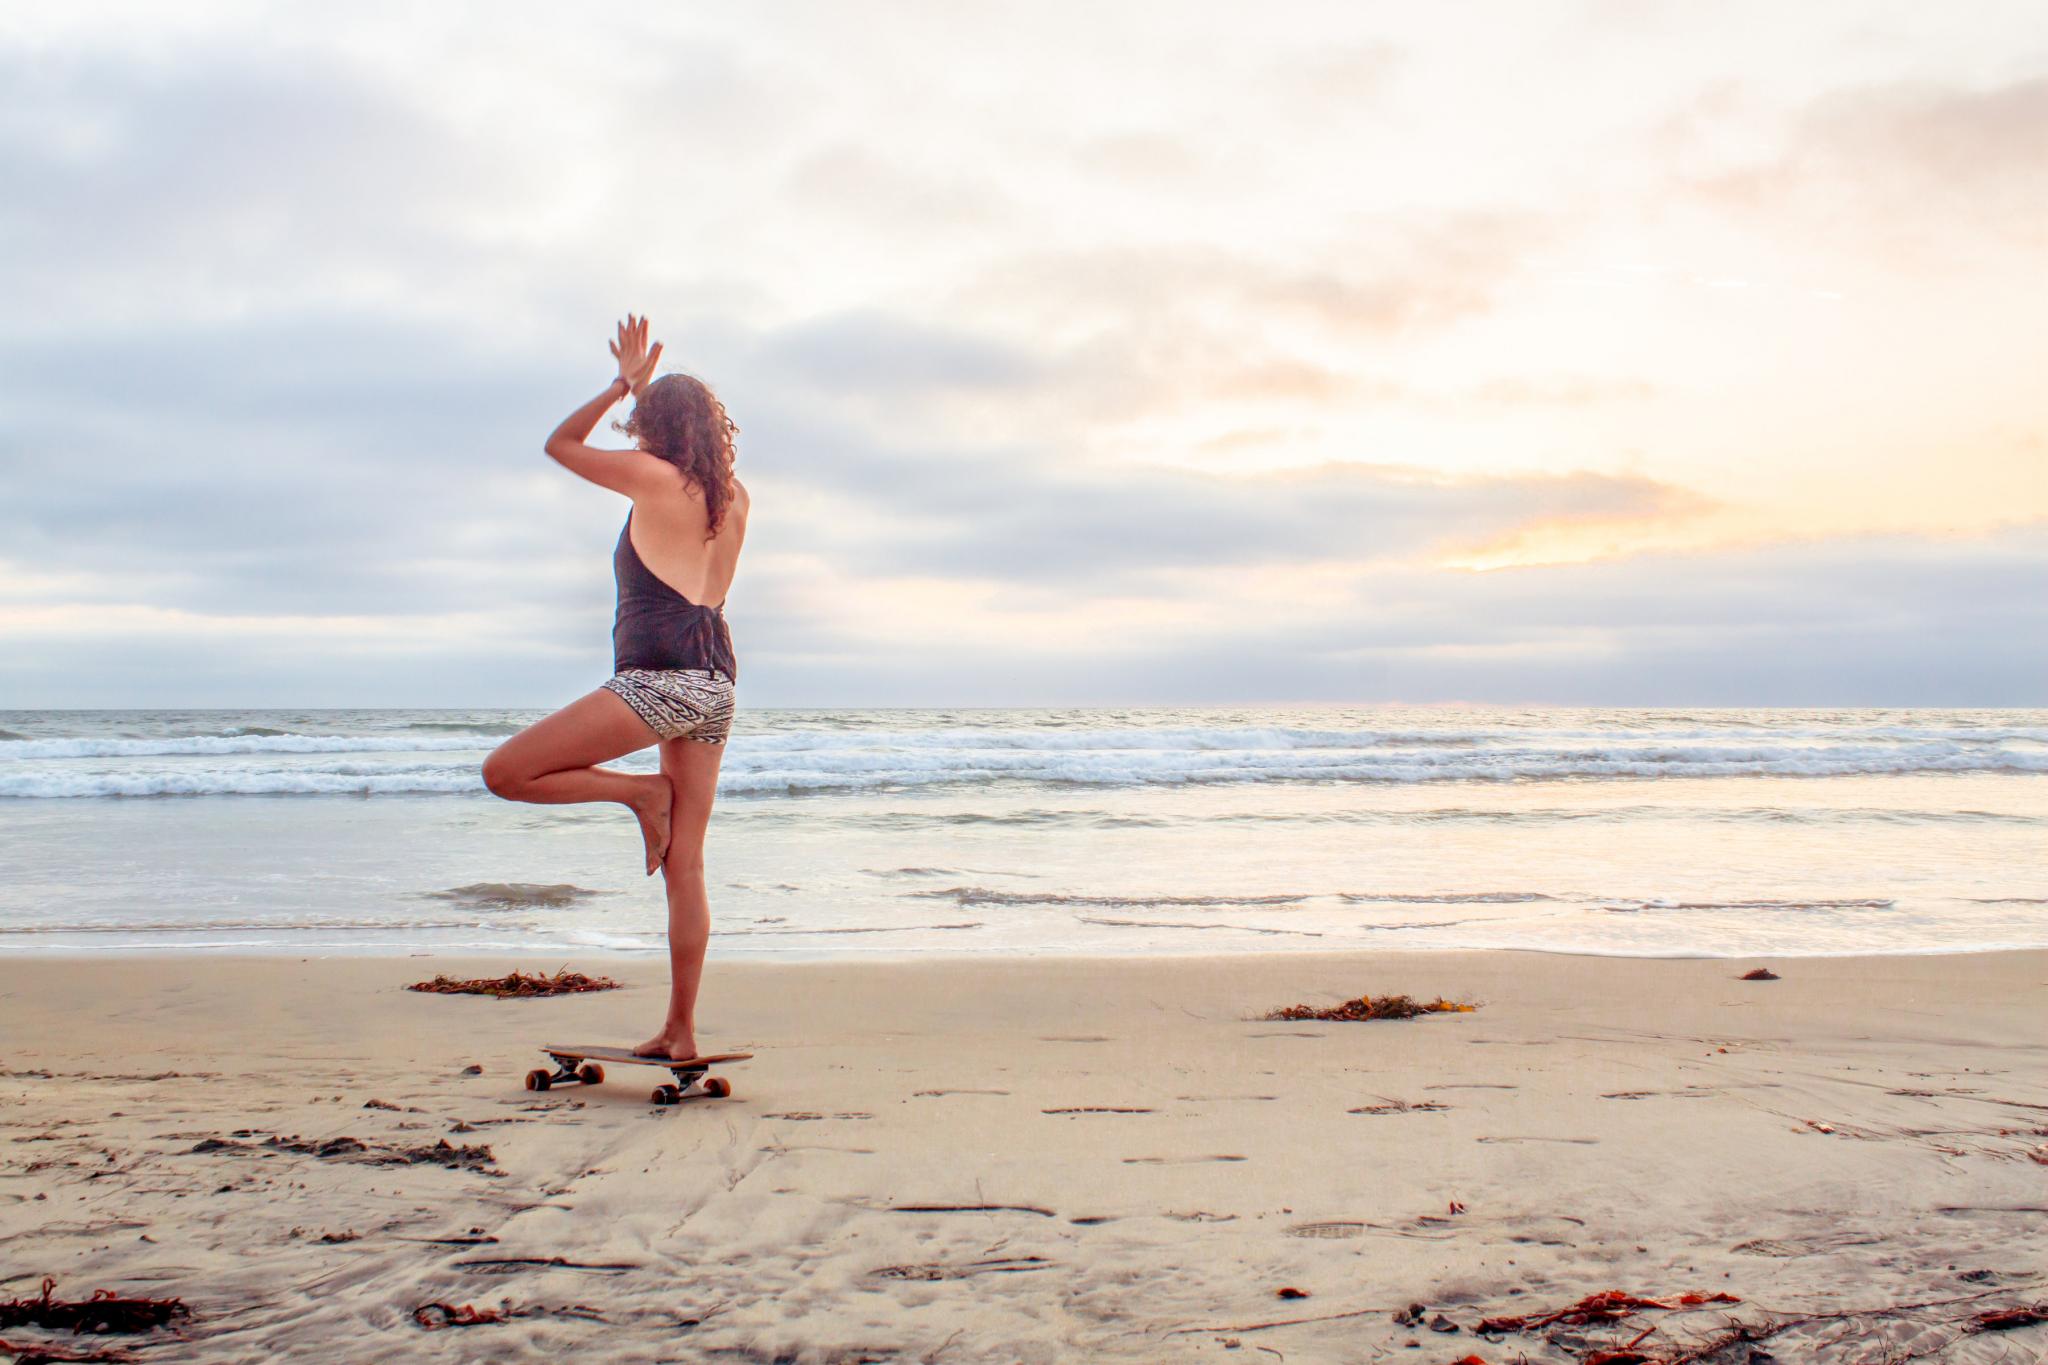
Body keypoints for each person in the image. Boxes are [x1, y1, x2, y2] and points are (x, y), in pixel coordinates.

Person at [481, 315, 748, 1061]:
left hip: (660, 680)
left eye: (640, 421)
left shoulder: (654, 478)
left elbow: (559, 446)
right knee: (687, 864)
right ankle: (681, 1029)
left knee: (504, 771)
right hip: (717, 682)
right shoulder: (736, 502)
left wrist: (618, 384)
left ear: (655, 428)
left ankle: (637, 794)